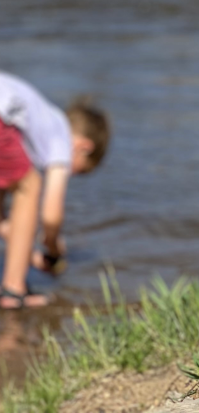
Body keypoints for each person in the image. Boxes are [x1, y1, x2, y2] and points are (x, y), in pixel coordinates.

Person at [0, 71, 109, 308]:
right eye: (78, 171)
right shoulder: (59, 135)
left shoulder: (36, 124)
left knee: (14, 184)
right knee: (29, 185)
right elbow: (50, 215)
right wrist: (52, 244)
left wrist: (30, 253)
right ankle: (13, 290)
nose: (70, 171)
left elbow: (7, 224)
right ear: (83, 147)